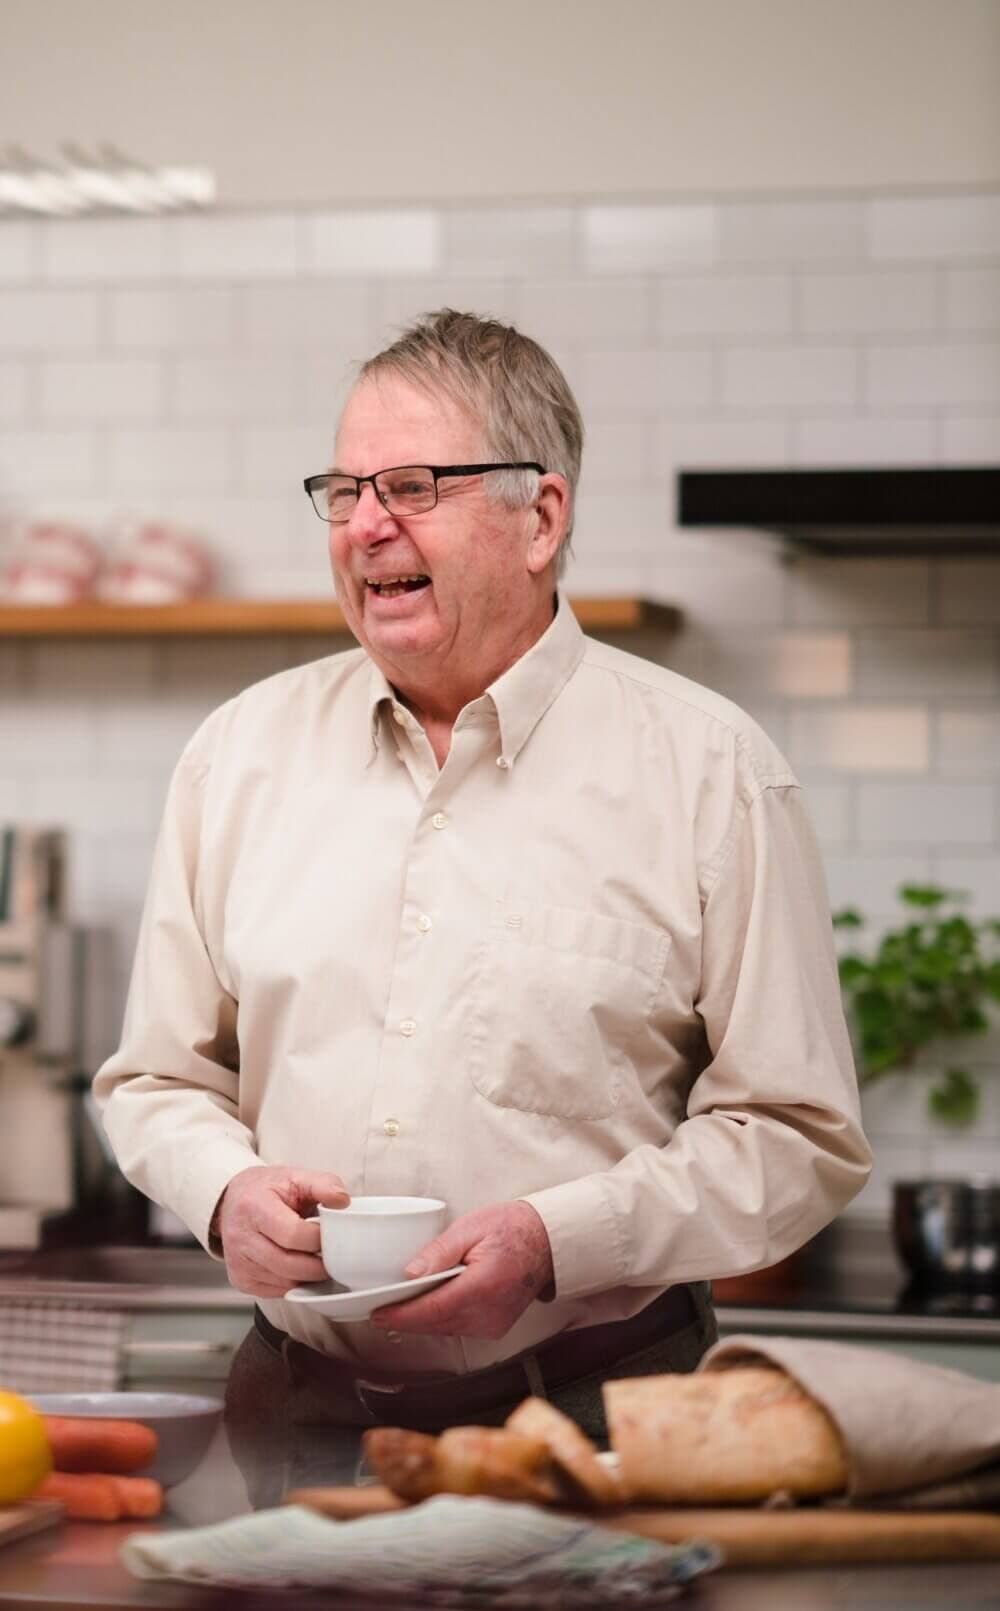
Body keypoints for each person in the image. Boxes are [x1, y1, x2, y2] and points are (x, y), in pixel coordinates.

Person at [94, 309, 871, 1502]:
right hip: (297, 1423)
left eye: (413, 486)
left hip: (599, 1421)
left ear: (540, 519)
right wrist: (222, 1192)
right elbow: (155, 1080)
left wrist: (557, 1242)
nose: (366, 525)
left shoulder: (711, 771)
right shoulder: (234, 757)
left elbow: (796, 1134)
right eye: (344, 491)